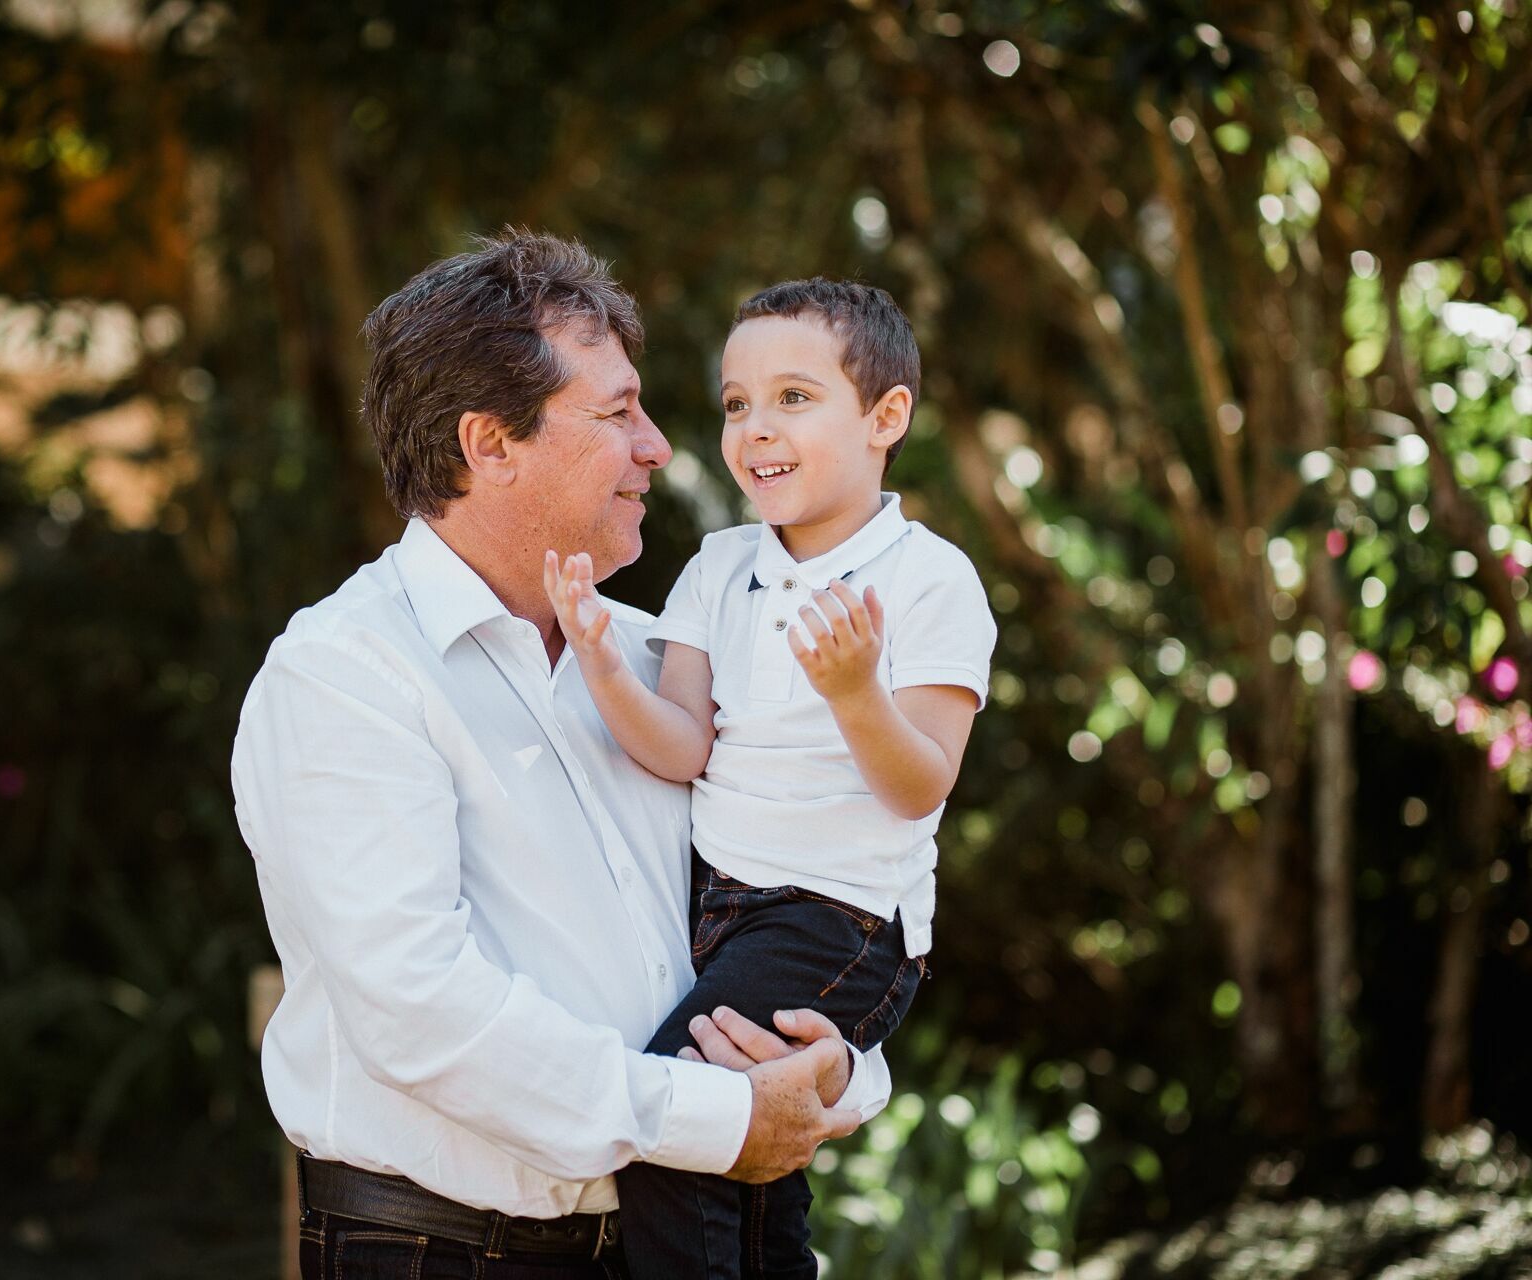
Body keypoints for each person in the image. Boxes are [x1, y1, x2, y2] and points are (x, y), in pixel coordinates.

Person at [230, 233, 891, 1279]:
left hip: (689, 1241)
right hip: (442, 1253)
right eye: (618, 412)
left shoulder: (664, 665)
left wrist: (839, 1066)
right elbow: (421, 1006)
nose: (660, 448)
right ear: (490, 444)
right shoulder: (343, 675)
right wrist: (713, 1117)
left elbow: (793, 900)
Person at [543, 278, 998, 1279]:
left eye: (794, 396)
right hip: (719, 909)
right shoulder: (717, 566)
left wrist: (852, 692)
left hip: (838, 920)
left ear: (886, 416)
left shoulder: (930, 579)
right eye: (736, 403)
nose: (755, 427)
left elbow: (920, 782)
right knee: (751, 1165)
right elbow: (683, 745)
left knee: (677, 1118)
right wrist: (602, 663)